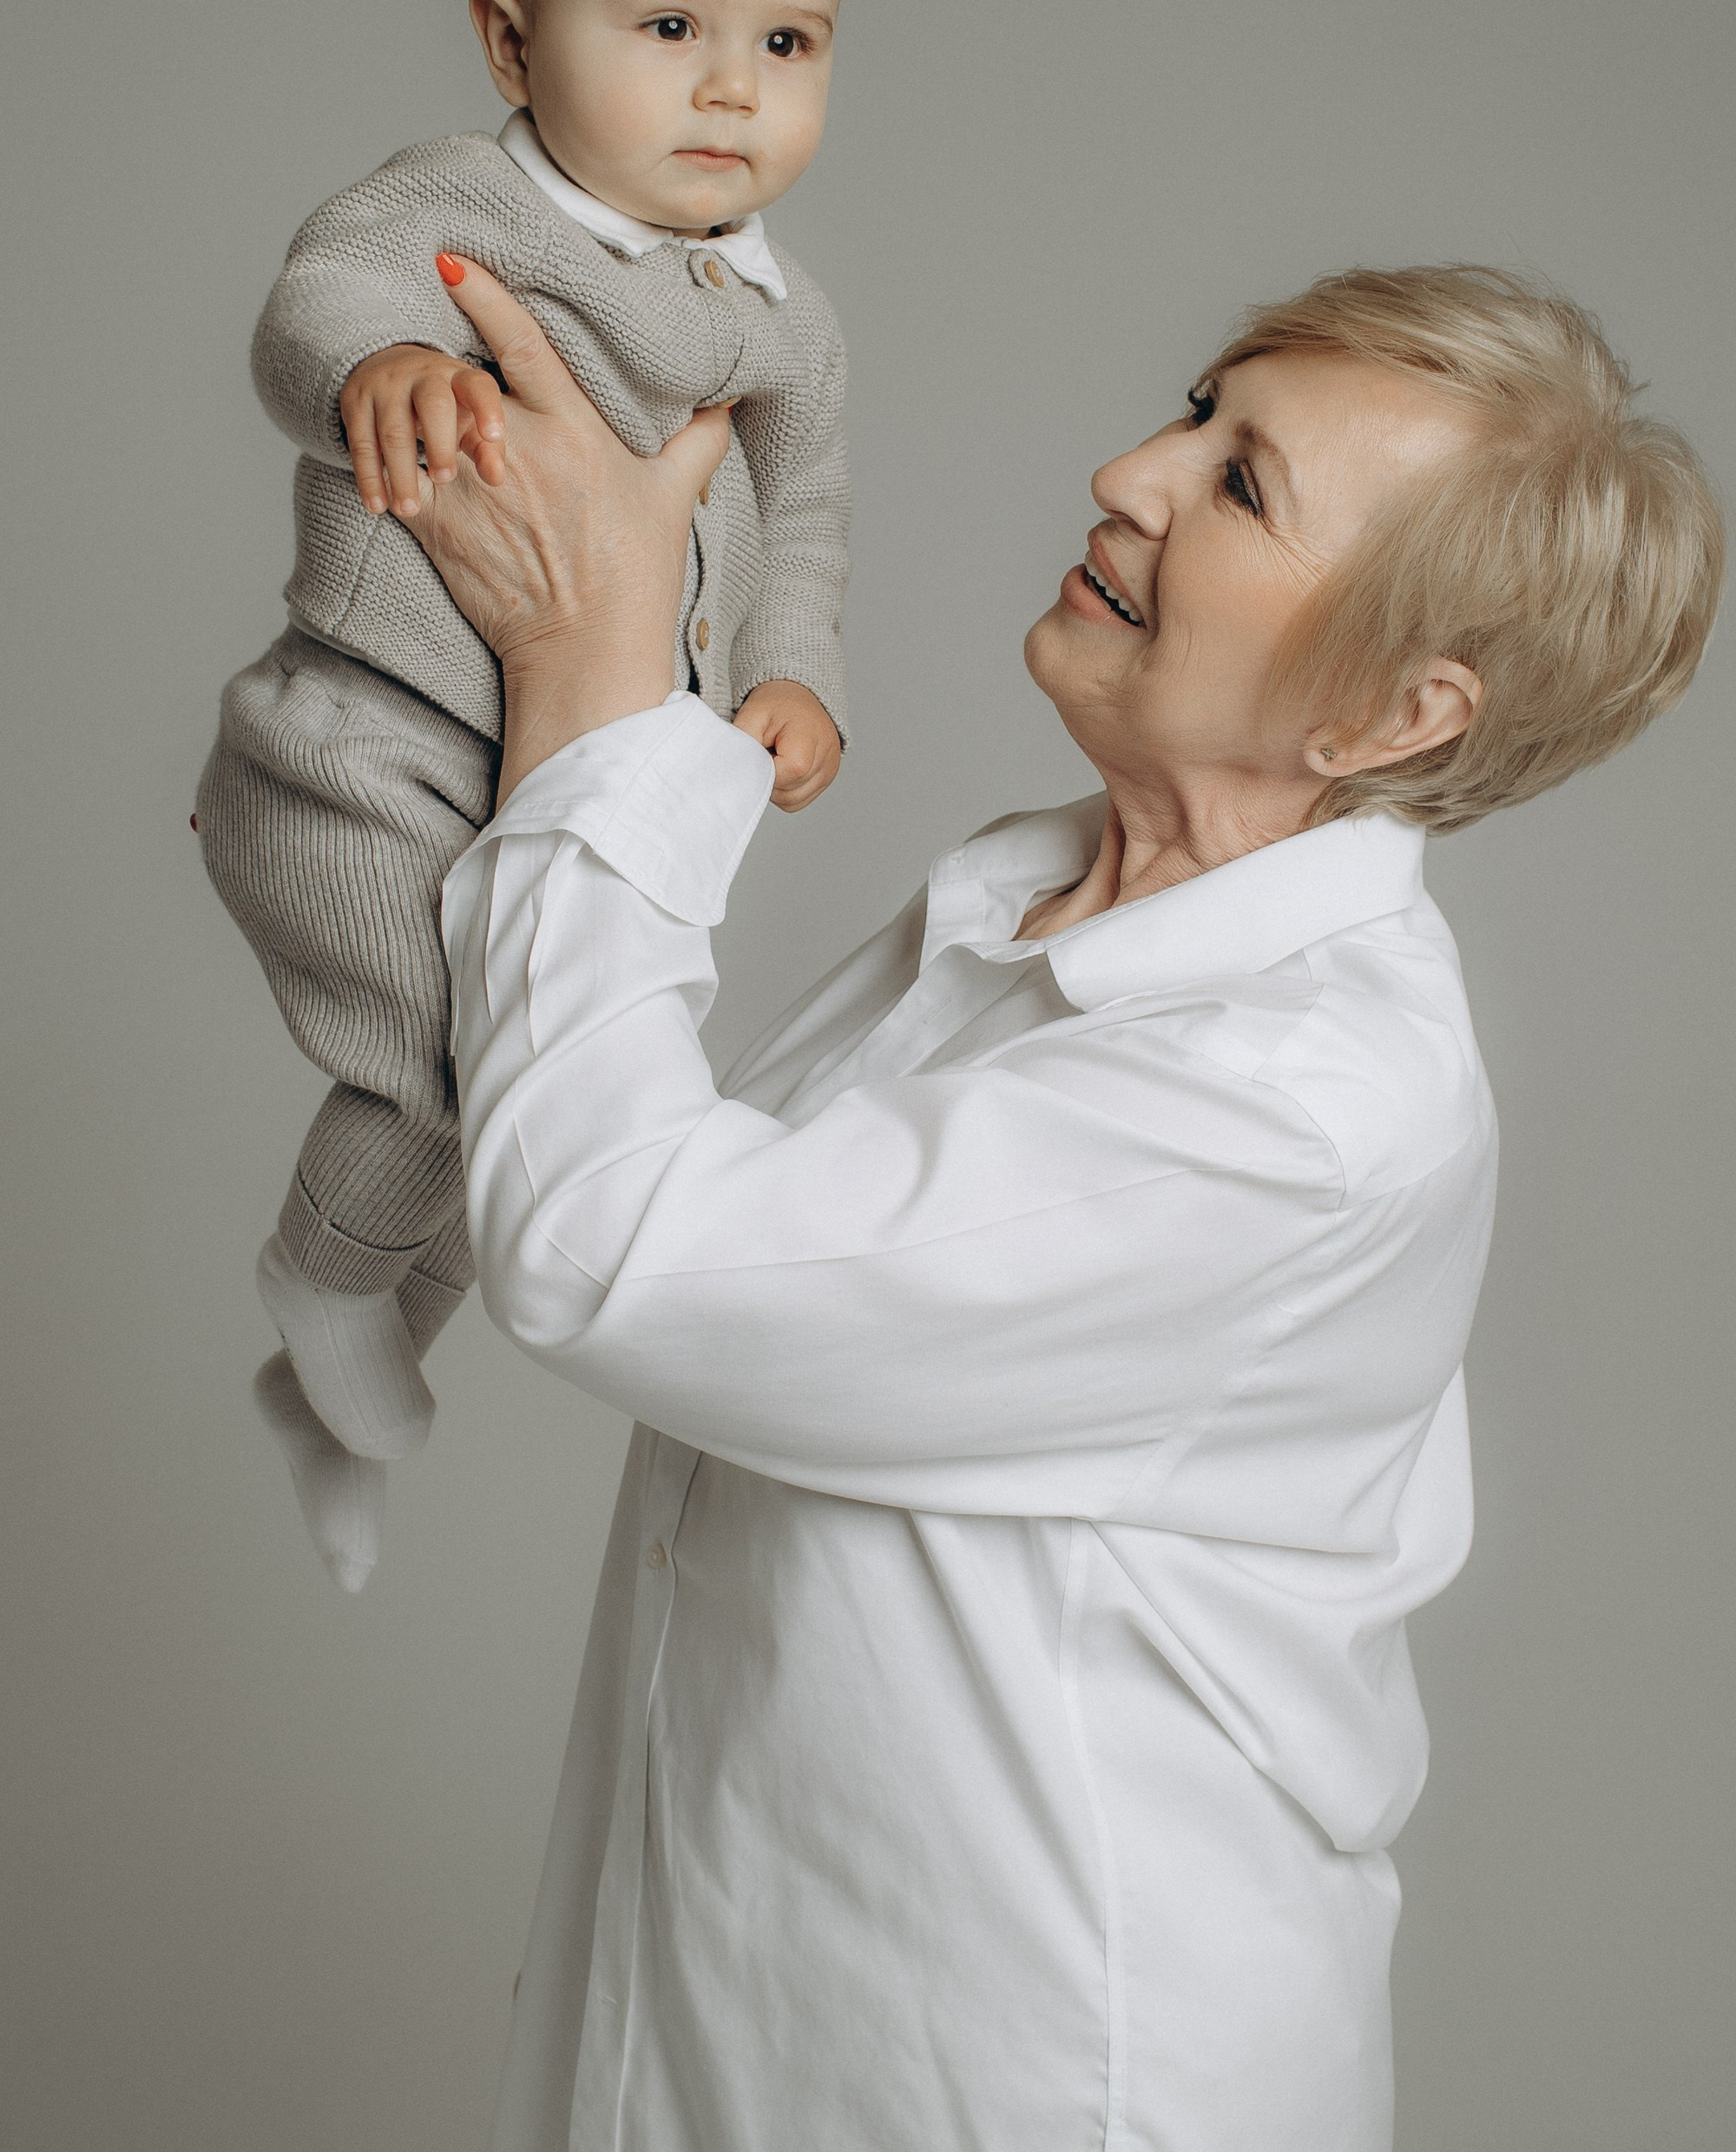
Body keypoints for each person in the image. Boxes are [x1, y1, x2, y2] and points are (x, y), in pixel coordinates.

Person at [411, 254, 1720, 2152]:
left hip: (1027, 2067)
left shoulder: (1294, 1107)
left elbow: (619, 1250)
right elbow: (654, 1178)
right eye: (1198, 409)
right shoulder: (1022, 894)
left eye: (1242, 481)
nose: (1128, 468)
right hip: (726, 1994)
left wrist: (593, 688)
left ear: (1391, 711)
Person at [194, 0, 853, 1585]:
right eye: (666, 26)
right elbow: (314, 301)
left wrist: (793, 667)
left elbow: (803, 521)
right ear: (509, 41)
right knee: (448, 1067)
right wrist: (373, 372)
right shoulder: (459, 209)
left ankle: (340, 1385)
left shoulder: (783, 324)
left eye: (788, 45)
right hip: (362, 754)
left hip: (561, 784)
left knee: (554, 1103)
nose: (732, 88)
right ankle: (323, 1288)